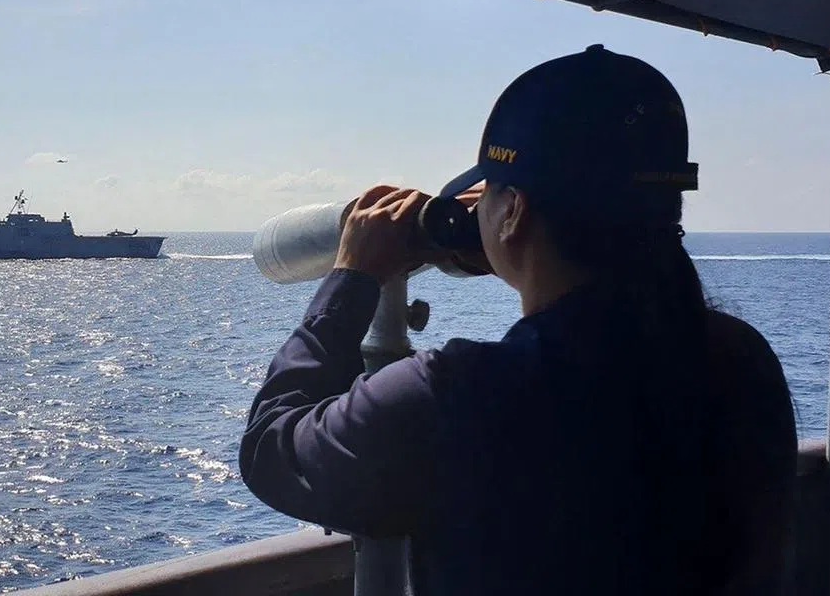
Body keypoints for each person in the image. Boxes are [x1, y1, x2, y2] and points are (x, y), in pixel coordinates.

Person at [239, 45, 797, 595]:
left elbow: (273, 450)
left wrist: (352, 277)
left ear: (515, 211)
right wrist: (516, 251)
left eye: (491, 196)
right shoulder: (739, 358)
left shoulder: (455, 397)